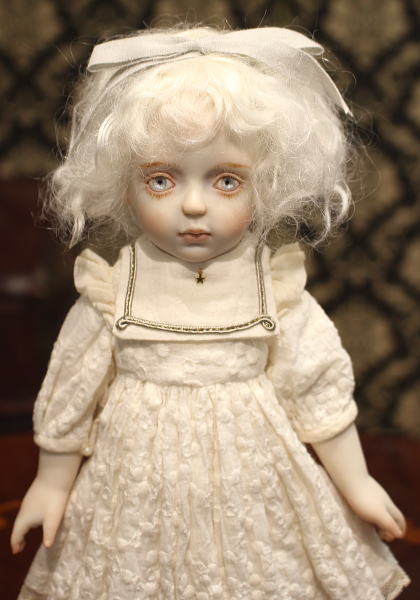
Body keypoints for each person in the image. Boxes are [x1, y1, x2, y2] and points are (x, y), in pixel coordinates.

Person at [11, 26, 410, 599]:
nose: (194, 205)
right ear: (124, 186)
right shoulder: (113, 291)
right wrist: (52, 483)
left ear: (265, 185)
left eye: (226, 181)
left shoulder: (273, 289)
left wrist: (357, 481)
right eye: (161, 180)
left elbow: (316, 386)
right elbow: (73, 388)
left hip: (252, 476)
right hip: (138, 480)